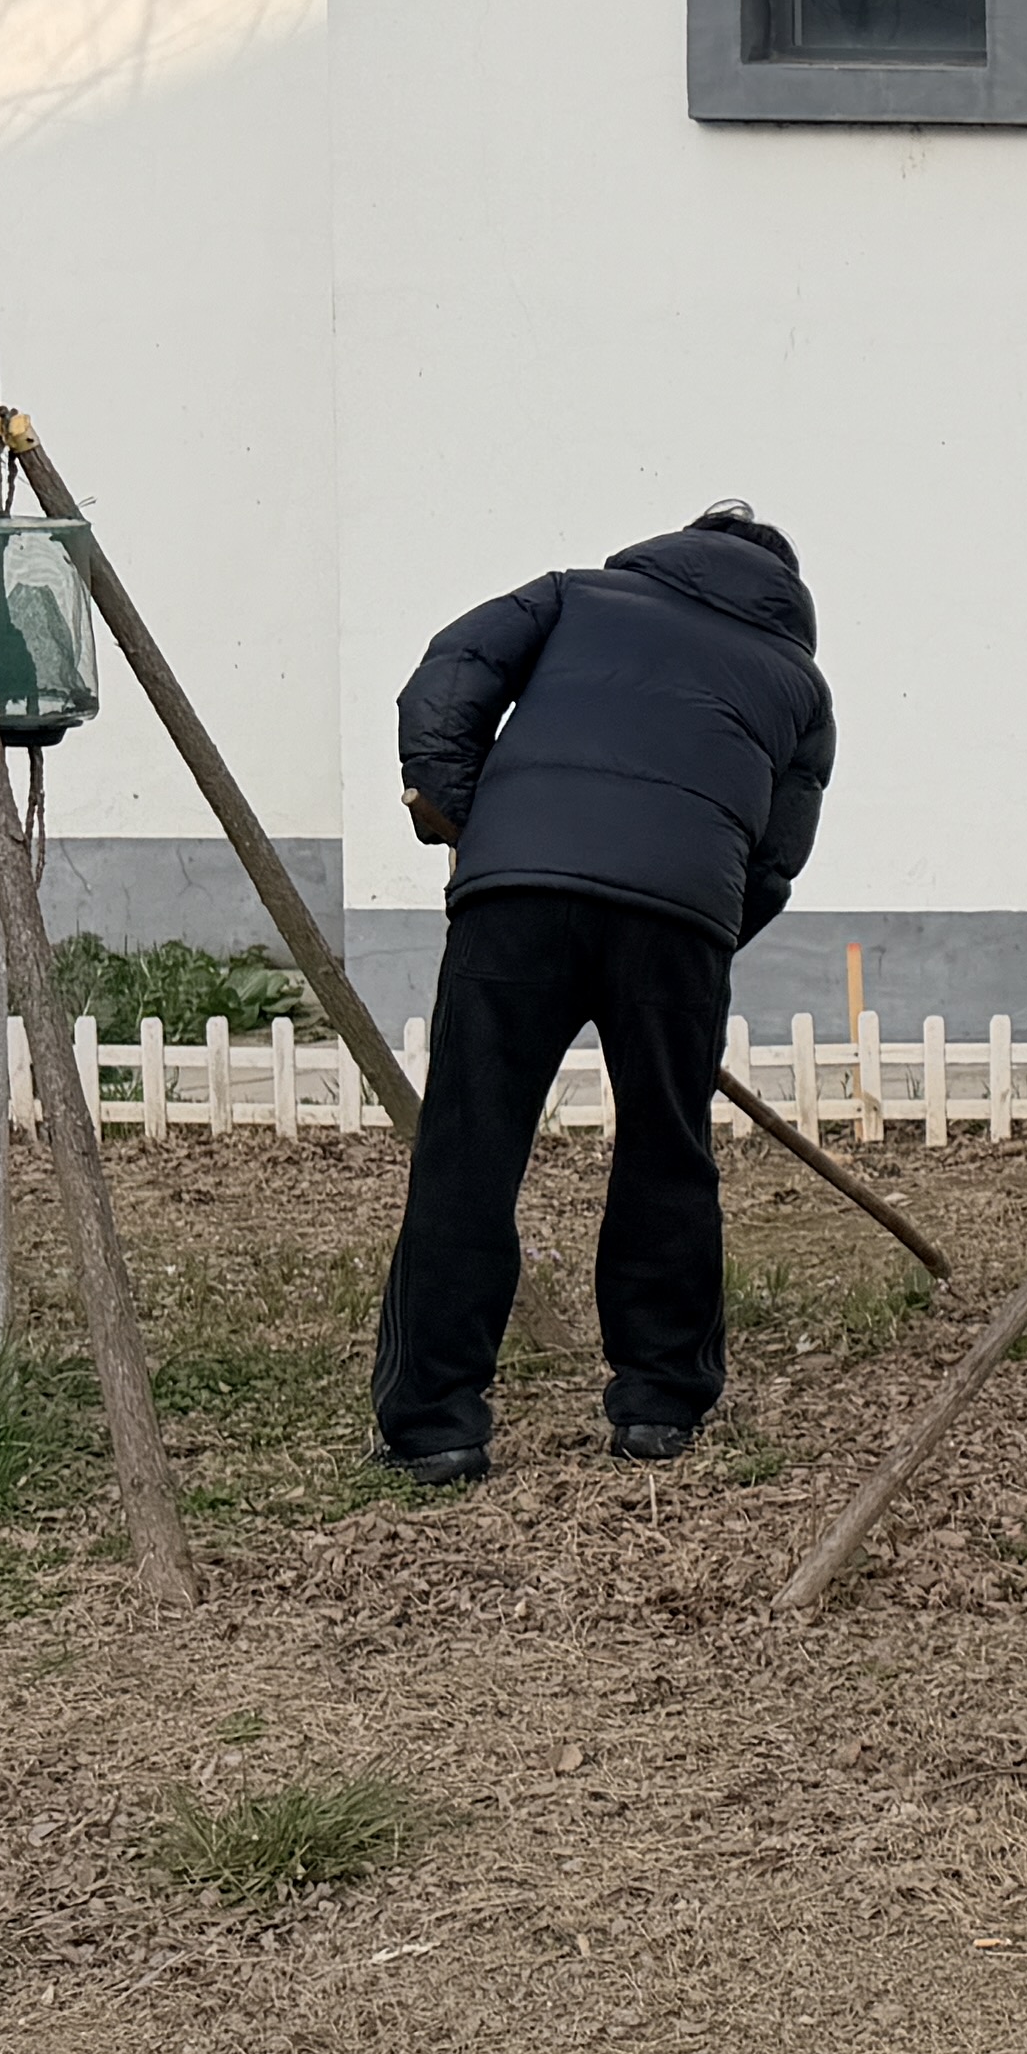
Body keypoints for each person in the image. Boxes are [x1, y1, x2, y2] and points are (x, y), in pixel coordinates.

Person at [366, 504, 834, 1488]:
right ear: (782, 590)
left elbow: (449, 674)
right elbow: (778, 857)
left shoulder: (572, 595)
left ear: (676, 550)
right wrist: (701, 931)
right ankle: (660, 1404)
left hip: (516, 900)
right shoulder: (799, 684)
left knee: (470, 1151)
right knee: (668, 1150)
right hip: (677, 921)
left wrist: (460, 810)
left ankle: (435, 1427)